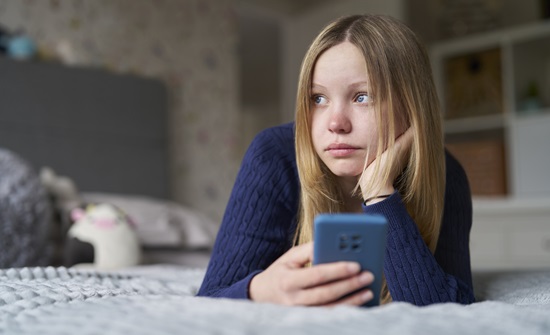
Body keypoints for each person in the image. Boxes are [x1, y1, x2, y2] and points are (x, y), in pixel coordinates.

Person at [198, 14, 475, 307]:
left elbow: (449, 312)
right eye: (318, 99)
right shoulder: (273, 157)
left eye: (362, 97)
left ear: (411, 106)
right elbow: (210, 299)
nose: (335, 123)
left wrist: (380, 194)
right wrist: (259, 289)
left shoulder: (446, 174)